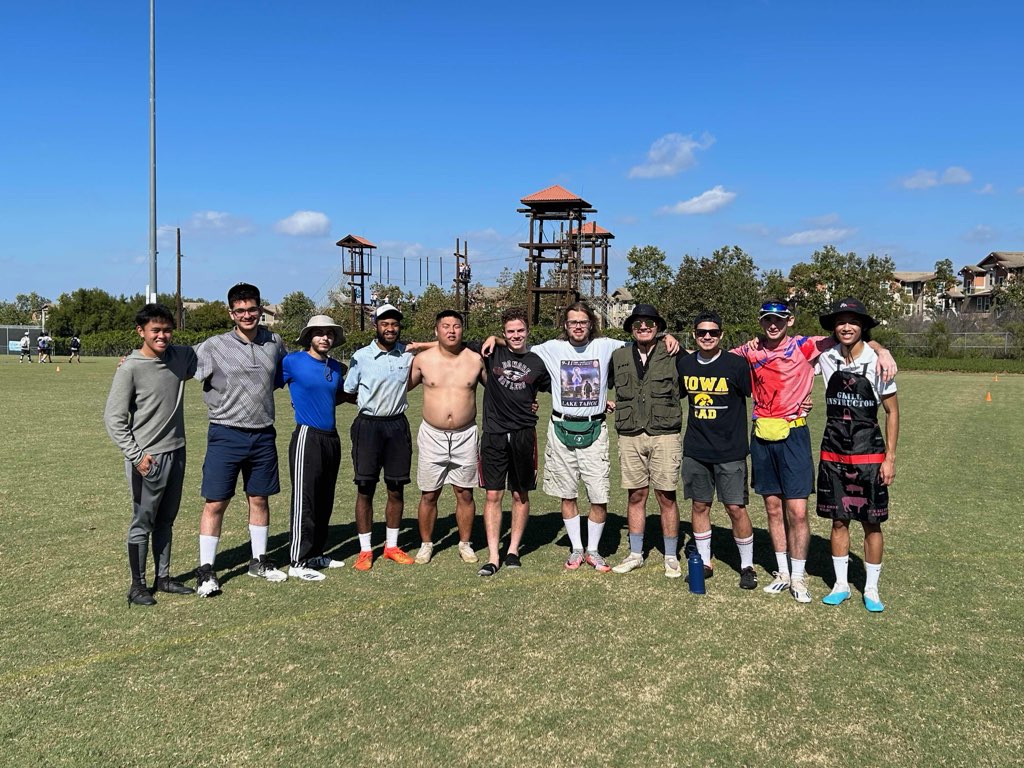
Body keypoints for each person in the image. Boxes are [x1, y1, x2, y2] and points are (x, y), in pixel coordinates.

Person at [484, 301, 678, 571]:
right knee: (568, 494)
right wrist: (494, 337)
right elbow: (518, 346)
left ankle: (594, 550)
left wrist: (665, 336)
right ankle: (576, 549)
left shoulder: (606, 345)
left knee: (598, 495)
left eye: (583, 322)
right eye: (573, 322)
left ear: (591, 324)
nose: (578, 326)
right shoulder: (550, 348)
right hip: (561, 427)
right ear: (565, 325)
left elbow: (641, 342)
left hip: (594, 429)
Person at [731, 299, 895, 603]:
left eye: (779, 319)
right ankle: (782, 573)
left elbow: (855, 335)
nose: (773, 325)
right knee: (771, 507)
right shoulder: (749, 350)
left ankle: (798, 576)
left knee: (797, 510)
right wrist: (669, 340)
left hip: (795, 434)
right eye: (767, 319)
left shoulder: (807, 346)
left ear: (789, 320)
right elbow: (714, 357)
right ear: (760, 321)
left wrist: (882, 349)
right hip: (762, 433)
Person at [193, 282, 288, 597]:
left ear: (261, 309)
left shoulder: (274, 342)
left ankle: (258, 560)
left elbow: (278, 379)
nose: (247, 315)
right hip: (225, 432)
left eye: (252, 309)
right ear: (231, 313)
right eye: (241, 310)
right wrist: (137, 359)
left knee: (259, 498)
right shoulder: (214, 345)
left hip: (263, 433)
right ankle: (206, 570)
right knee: (216, 502)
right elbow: (180, 367)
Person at [104, 303, 198, 606]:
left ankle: (164, 578)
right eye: (155, 330)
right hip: (148, 460)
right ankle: (137, 585)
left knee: (167, 520)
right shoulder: (130, 367)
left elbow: (212, 350)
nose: (162, 335)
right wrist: (137, 456)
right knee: (142, 522)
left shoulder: (181, 357)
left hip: (178, 453)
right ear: (141, 331)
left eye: (167, 329)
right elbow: (114, 419)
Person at [815, 298, 899, 612]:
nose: (846, 327)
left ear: (863, 326)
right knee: (838, 521)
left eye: (853, 321)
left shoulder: (880, 363)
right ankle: (840, 586)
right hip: (833, 452)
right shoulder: (826, 357)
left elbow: (892, 413)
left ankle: (871, 589)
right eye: (840, 322)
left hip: (870, 455)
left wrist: (889, 458)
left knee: (871, 523)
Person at [678, 311, 758, 589]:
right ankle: (704, 560)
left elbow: (760, 394)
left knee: (735, 507)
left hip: (730, 450)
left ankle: (747, 565)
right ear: (695, 335)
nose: (707, 336)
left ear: (721, 335)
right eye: (702, 332)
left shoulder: (736, 365)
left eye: (713, 332)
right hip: (696, 449)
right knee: (700, 505)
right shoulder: (685, 364)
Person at [608, 304, 684, 578]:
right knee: (635, 495)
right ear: (630, 328)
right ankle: (635, 553)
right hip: (630, 434)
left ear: (658, 327)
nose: (643, 327)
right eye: (638, 323)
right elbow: (599, 384)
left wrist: (671, 337)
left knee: (666, 495)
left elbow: (686, 388)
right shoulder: (618, 356)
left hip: (665, 433)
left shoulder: (673, 351)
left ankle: (672, 555)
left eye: (649, 323)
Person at [474, 308, 550, 575]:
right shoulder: (492, 351)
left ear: (527, 331)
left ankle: (513, 550)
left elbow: (563, 388)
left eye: (520, 330)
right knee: (493, 493)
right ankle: (493, 555)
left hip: (523, 434)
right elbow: (452, 342)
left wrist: (601, 401)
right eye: (510, 332)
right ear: (504, 332)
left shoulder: (538, 362)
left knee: (520, 493)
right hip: (494, 432)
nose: (516, 335)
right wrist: (495, 338)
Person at [407, 310, 486, 565]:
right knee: (429, 493)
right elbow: (398, 386)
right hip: (432, 434)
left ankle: (465, 543)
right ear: (436, 330)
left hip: (466, 434)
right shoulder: (422, 360)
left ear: (463, 330)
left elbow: (498, 390)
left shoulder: (475, 359)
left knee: (464, 492)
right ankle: (426, 544)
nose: (451, 331)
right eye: (445, 326)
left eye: (456, 326)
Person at [342, 303, 417, 571]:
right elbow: (349, 390)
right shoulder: (361, 356)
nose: (390, 328)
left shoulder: (406, 355)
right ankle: (364, 550)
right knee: (365, 488)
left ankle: (391, 546)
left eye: (394, 324)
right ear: (376, 325)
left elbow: (439, 345)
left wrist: (417, 343)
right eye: (385, 323)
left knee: (396, 488)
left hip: (397, 426)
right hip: (368, 426)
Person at [280, 314, 349, 581]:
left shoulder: (335, 367)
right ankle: (298, 560)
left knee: (324, 498)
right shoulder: (292, 362)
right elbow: (270, 383)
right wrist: (298, 402)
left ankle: (317, 552)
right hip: (307, 437)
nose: (325, 338)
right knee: (305, 499)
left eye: (329, 334)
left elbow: (339, 395)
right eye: (319, 333)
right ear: (309, 336)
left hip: (331, 437)